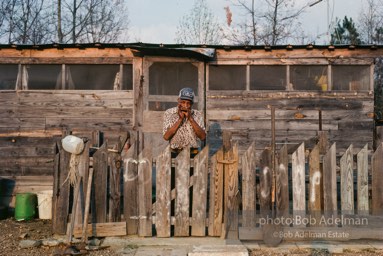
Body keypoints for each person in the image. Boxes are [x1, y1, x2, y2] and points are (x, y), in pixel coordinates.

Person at [163, 87, 206, 154]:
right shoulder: (169, 113)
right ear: (178, 101)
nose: (185, 105)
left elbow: (203, 137)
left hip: (193, 152)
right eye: (183, 102)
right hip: (175, 152)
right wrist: (180, 119)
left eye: (188, 103)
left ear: (192, 104)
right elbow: (166, 137)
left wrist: (191, 119)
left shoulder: (197, 114)